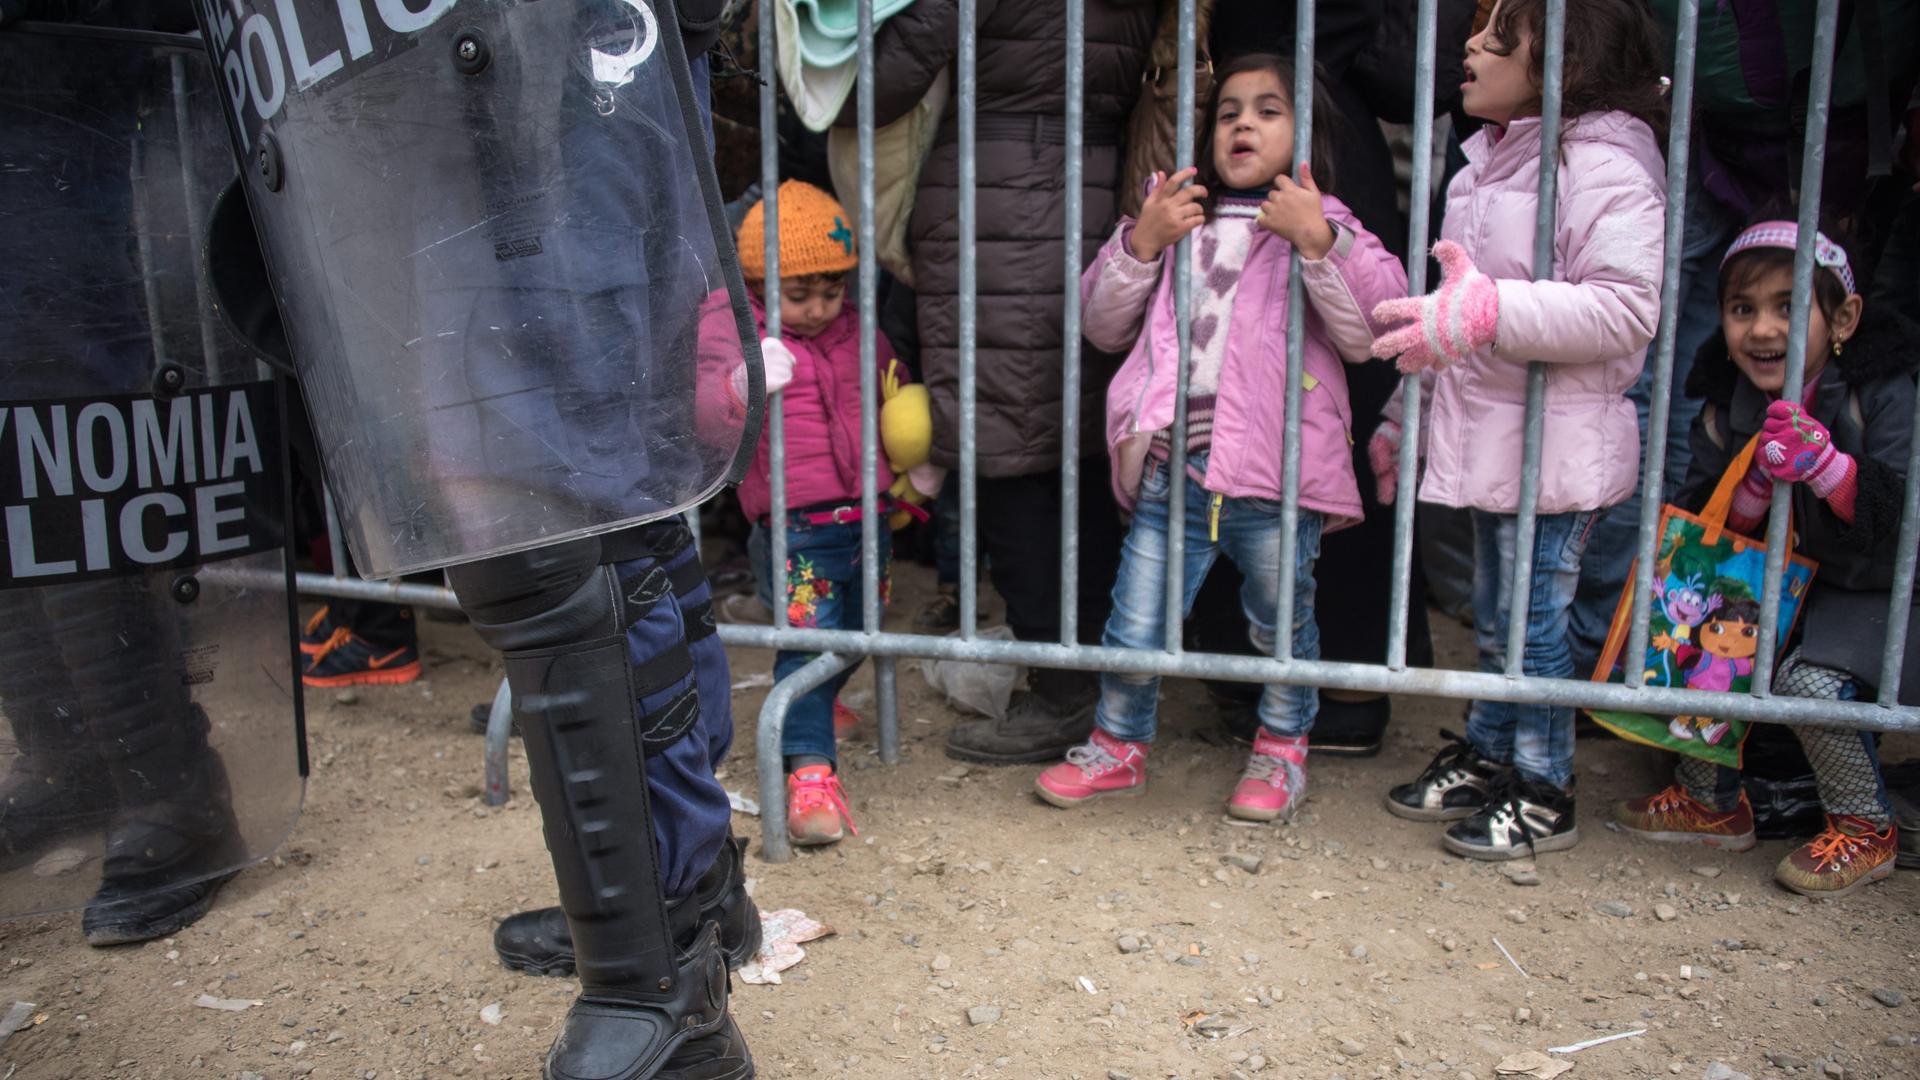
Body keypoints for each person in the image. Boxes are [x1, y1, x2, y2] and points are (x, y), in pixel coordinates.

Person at [1031, 54, 1408, 820]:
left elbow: (1373, 331)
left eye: (1269, 110)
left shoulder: (1327, 222)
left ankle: (1280, 752)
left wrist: (1319, 241)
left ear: (1307, 134)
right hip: (1175, 467)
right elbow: (1100, 324)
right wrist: (1140, 241)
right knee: (1133, 620)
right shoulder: (1173, 216)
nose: (1243, 123)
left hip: (1275, 474)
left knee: (1282, 624)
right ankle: (1119, 746)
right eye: (1229, 110)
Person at [1369, 0, 1668, 859]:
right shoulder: (1483, 168)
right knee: (1498, 618)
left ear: (1566, 65)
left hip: (1561, 447)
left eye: (1500, 32)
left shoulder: (1604, 165)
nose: (1469, 42)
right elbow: (1451, 325)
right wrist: (1403, 415)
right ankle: (1495, 752)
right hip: (1497, 436)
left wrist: (1491, 308)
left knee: (1534, 622)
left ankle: (1545, 788)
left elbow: (1622, 309)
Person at [844, 0, 1155, 765]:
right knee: (1073, 454)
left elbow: (872, 88)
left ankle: (1065, 692)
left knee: (1003, 459)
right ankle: (1104, 680)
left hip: (996, 206)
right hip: (1098, 191)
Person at [1612, 219, 1915, 898]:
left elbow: (1899, 524)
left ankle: (1865, 828)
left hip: (1880, 594)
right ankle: (1711, 800)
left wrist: (1832, 472)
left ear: (1844, 317)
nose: (1762, 329)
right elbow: (1703, 531)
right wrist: (1749, 486)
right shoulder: (1730, 404)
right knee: (1694, 614)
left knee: (1813, 684)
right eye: (1742, 309)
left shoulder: (1882, 392)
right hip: (1796, 586)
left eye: (1788, 306)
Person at [695, 179, 937, 846]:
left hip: (868, 517)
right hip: (794, 529)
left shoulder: (858, 331)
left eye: (831, 291)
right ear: (758, 281)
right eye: (798, 294)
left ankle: (819, 704)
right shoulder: (736, 327)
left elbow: (893, 394)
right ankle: (808, 774)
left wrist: (914, 465)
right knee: (806, 644)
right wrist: (741, 383)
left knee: (862, 629)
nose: (817, 308)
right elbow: (704, 413)